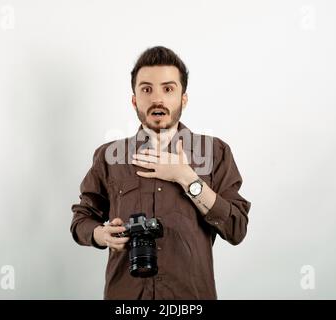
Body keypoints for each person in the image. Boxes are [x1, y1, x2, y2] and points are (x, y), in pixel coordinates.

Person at [70, 46, 251, 299]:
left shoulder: (215, 152)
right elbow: (81, 220)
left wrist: (187, 178)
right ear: (134, 99)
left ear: (183, 99)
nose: (158, 99)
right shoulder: (109, 156)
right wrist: (101, 235)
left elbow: (236, 228)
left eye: (168, 89)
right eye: (146, 89)